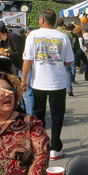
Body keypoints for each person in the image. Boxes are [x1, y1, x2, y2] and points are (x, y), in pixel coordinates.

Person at [21, 9, 74, 161]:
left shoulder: (33, 35)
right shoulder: (63, 36)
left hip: (39, 82)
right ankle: (55, 148)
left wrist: (23, 80)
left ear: (42, 20)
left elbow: (27, 60)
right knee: (57, 116)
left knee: (39, 115)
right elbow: (69, 62)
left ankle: (41, 145)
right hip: (58, 82)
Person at [55, 18, 76, 97]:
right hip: (66, 55)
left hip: (56, 55)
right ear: (63, 24)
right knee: (68, 72)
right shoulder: (67, 33)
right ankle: (69, 89)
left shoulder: (54, 32)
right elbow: (72, 45)